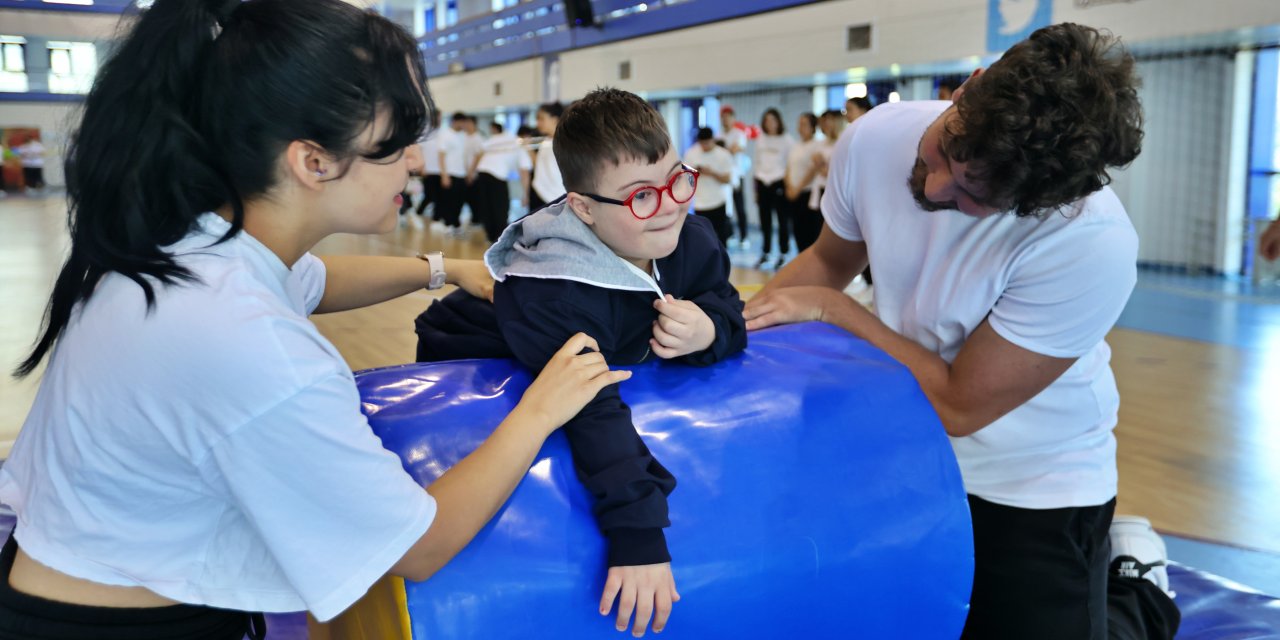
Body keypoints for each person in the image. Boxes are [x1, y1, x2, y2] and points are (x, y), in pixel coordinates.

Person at [0, 1, 630, 637]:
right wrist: (539, 411)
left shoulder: (195, 246)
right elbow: (421, 546)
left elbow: (316, 280)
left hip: (61, 577)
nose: (415, 163)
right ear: (313, 161)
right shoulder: (251, 344)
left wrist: (441, 268)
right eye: (394, 146)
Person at [744, 23, 1180, 640]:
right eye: (947, 148)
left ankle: (1139, 585)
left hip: (1032, 480)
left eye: (975, 193)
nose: (937, 184)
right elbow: (829, 260)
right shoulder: (874, 137)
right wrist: (730, 333)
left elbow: (959, 403)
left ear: (1039, 202)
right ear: (969, 88)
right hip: (908, 445)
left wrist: (834, 310)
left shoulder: (1090, 242)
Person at [415, 88, 748, 637]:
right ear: (584, 207)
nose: (668, 205)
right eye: (641, 196)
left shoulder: (688, 236)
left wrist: (711, 329)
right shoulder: (557, 288)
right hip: (472, 350)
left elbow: (726, 303)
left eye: (675, 180)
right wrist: (638, 537)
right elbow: (591, 405)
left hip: (584, 350)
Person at [468, 121, 531, 242]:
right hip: (496, 176)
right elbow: (524, 172)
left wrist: (471, 172)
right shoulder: (520, 145)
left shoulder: (502, 137)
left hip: (482, 172)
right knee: (501, 208)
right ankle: (499, 239)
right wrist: (526, 194)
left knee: (486, 207)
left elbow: (479, 153)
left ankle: (491, 236)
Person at [752, 108, 793, 269]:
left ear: (779, 121)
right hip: (763, 183)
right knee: (765, 221)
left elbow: (791, 164)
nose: (770, 123)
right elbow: (756, 164)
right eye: (767, 120)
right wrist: (756, 189)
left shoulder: (787, 140)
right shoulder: (761, 139)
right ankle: (766, 252)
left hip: (779, 182)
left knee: (782, 221)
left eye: (773, 120)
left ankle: (784, 252)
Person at [683, 127, 735, 245]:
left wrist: (712, 173)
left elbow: (727, 179)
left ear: (713, 139)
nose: (704, 146)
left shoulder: (723, 154)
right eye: (702, 143)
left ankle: (722, 260)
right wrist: (696, 172)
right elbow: (685, 177)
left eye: (707, 143)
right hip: (700, 203)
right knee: (704, 238)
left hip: (718, 201)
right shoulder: (691, 153)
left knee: (721, 237)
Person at [784, 112, 823, 254]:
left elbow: (813, 171)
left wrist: (798, 188)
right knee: (797, 231)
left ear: (813, 127)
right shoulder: (796, 145)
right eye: (799, 124)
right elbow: (788, 168)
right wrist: (789, 186)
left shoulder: (817, 145)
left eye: (804, 124)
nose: (800, 127)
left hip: (807, 194)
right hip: (793, 193)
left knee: (809, 233)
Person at [718, 105, 752, 248]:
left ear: (733, 118)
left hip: (737, 176)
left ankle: (744, 237)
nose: (726, 120)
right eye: (723, 117)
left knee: (740, 207)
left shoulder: (739, 134)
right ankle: (729, 234)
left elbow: (736, 149)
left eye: (728, 117)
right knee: (725, 207)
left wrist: (725, 149)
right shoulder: (718, 135)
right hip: (723, 176)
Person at [530, 101, 566, 214]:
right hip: (541, 194)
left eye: (541, 119)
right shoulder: (546, 141)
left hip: (558, 197)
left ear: (554, 119)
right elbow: (540, 166)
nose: (538, 123)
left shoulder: (564, 141)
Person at [412, 110, 444, 222]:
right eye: (439, 117)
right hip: (429, 169)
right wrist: (422, 167)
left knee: (438, 196)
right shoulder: (426, 132)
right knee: (429, 195)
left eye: (441, 118)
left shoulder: (442, 132)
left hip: (440, 170)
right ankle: (420, 211)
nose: (440, 120)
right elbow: (419, 150)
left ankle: (436, 217)